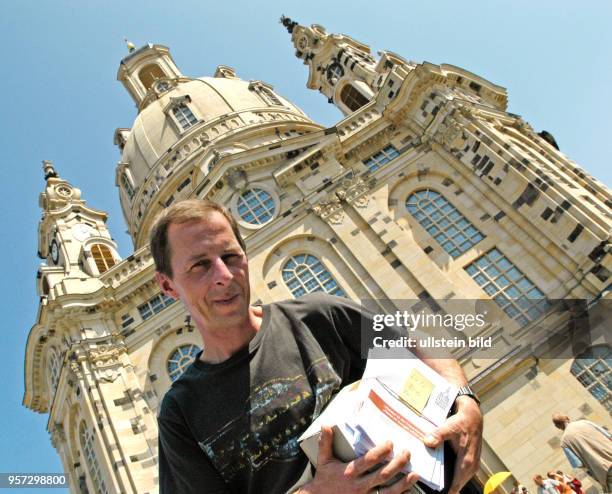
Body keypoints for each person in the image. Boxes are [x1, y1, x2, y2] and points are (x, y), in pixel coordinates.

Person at [152, 199, 483, 494]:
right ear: (168, 285)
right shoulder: (181, 413)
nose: (224, 275)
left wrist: (465, 401)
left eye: (230, 256)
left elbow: (417, 346)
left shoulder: (319, 314)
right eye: (200, 265)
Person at [552, 413, 612, 492]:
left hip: (603, 470)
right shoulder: (585, 422)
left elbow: (579, 464)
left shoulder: (564, 442)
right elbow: (608, 435)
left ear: (557, 426)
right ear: (567, 418)